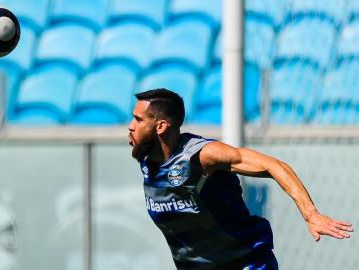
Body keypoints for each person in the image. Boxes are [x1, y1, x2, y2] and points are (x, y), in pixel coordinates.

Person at [127, 88, 353, 270]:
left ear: (161, 126)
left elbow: (274, 165)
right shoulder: (148, 159)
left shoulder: (201, 155)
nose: (130, 126)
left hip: (246, 262)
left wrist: (311, 215)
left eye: (138, 119)